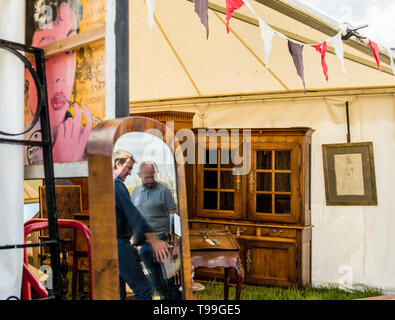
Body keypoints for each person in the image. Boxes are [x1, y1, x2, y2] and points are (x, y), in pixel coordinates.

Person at [25, 0, 93, 163]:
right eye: (47, 55)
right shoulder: (16, 136)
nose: (60, 76)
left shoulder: (88, 143)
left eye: (69, 50)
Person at [112, 150, 171, 300]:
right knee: (144, 289)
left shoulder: (107, 183)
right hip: (119, 245)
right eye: (128, 168)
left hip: (115, 244)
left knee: (118, 292)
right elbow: (133, 215)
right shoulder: (117, 185)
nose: (130, 173)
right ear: (118, 163)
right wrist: (153, 240)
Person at [131, 161, 182, 300]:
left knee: (170, 283)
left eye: (153, 176)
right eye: (147, 177)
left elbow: (174, 218)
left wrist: (176, 245)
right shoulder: (135, 192)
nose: (151, 180)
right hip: (146, 245)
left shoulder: (164, 190)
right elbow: (134, 219)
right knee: (156, 283)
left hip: (165, 242)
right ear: (140, 175)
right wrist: (135, 242)